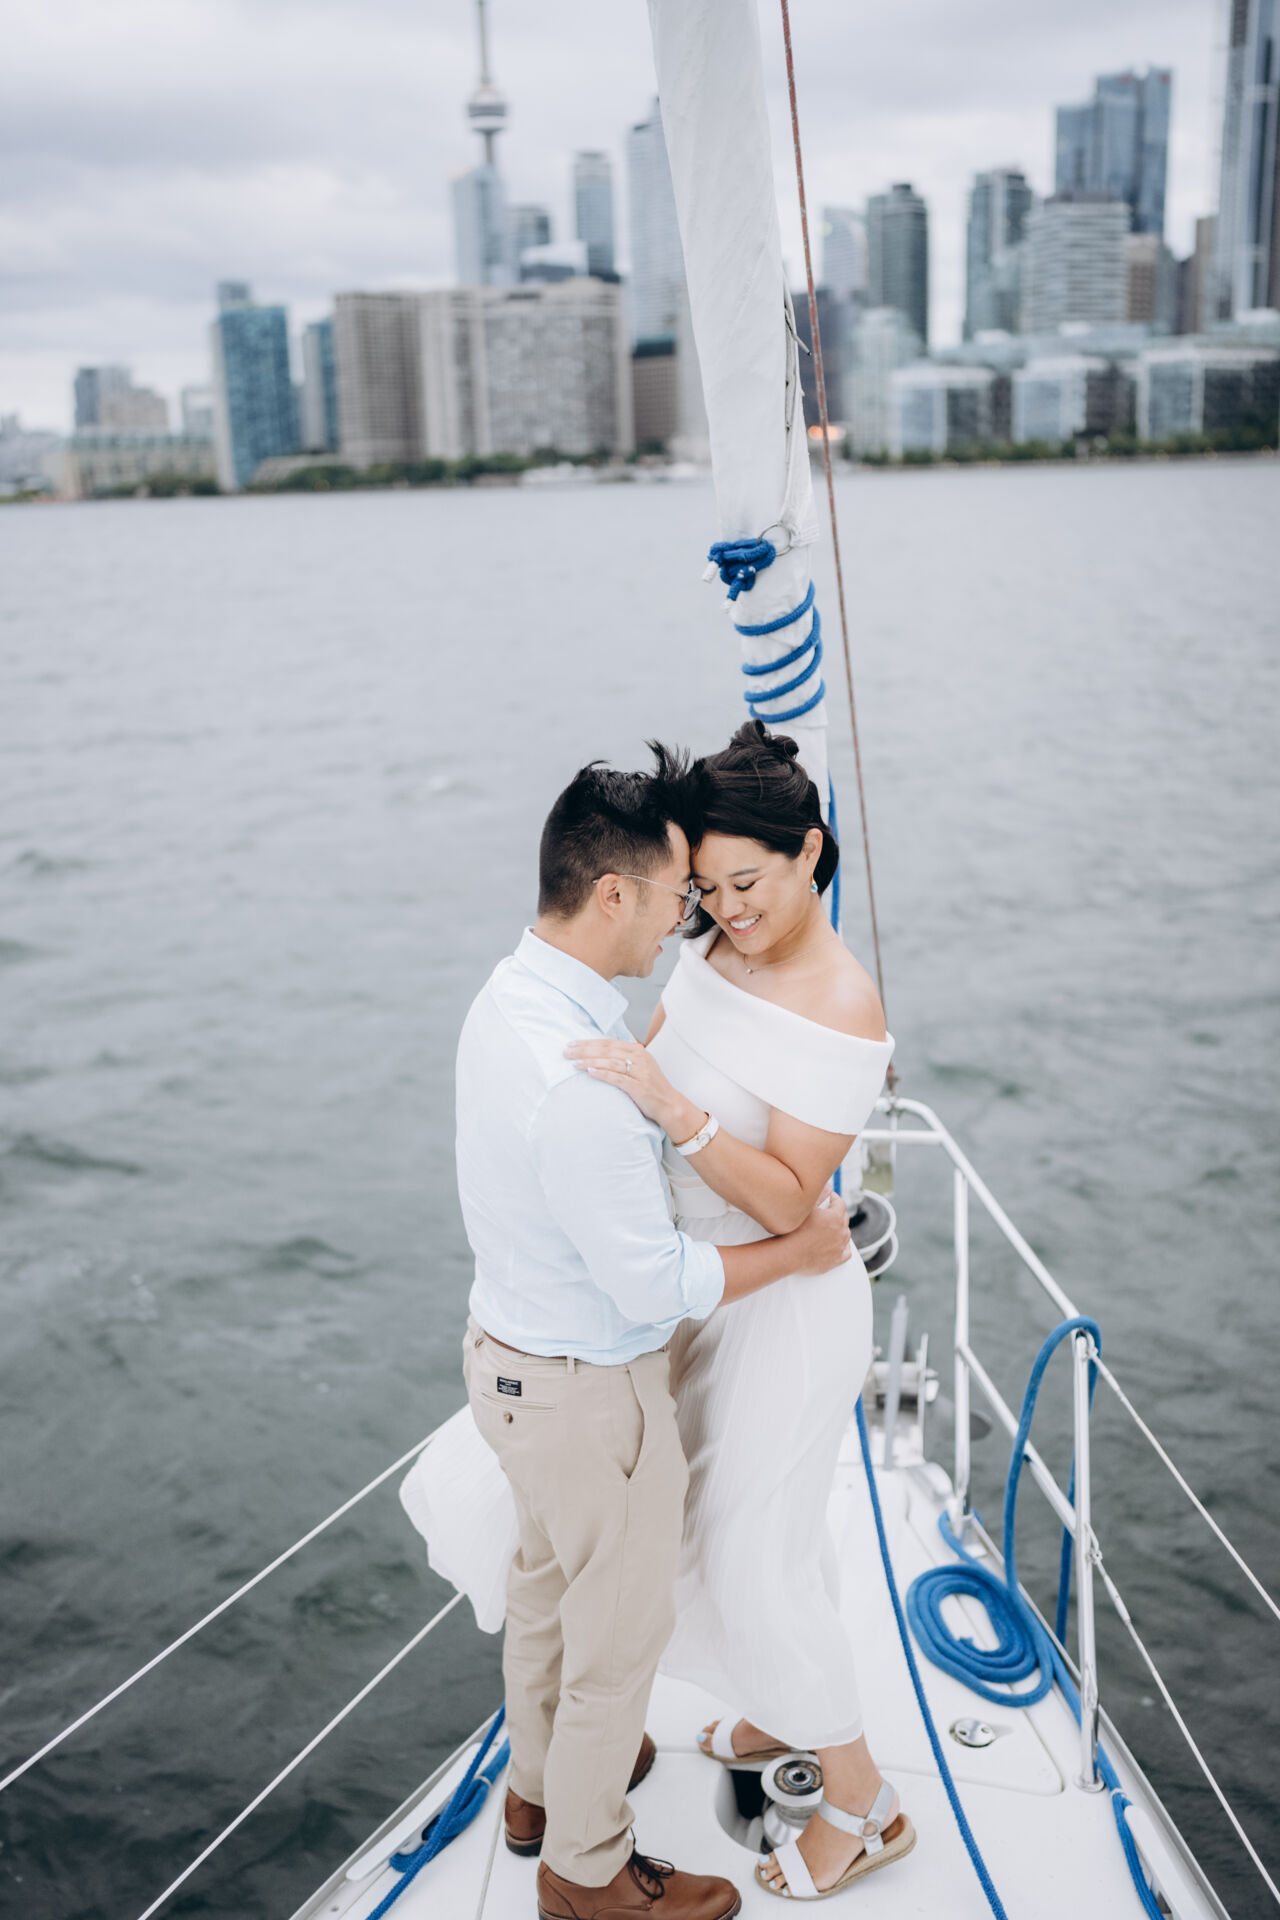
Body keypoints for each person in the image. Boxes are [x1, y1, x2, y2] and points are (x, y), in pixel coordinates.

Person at [456, 745, 855, 1920]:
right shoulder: (583, 1085)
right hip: (586, 1391)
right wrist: (796, 1252)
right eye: (681, 893)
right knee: (616, 1644)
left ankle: (535, 1794)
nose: (693, 916)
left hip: (504, 1363)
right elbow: (650, 1288)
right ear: (612, 892)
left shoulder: (505, 999)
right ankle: (586, 1874)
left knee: (544, 1590)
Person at [565, 721, 916, 1904]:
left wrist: (675, 1112)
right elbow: (648, 1058)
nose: (726, 910)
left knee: (750, 1556)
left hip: (788, 1306)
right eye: (706, 890)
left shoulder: (842, 1002)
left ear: (809, 851)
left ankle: (864, 1806)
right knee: (731, 1530)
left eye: (747, 882)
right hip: (700, 1291)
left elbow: (789, 1198)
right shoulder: (713, 948)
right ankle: (778, 1710)